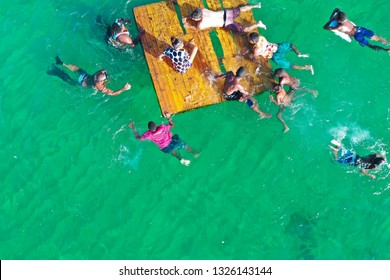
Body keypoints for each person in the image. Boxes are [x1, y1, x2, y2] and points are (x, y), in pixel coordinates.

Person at [129, 113, 199, 166]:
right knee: (183, 145)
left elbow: (139, 138)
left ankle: (180, 158)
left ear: (149, 129)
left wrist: (133, 128)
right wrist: (168, 117)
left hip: (164, 147)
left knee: (172, 151)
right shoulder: (162, 127)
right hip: (171, 141)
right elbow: (172, 125)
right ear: (156, 125)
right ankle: (195, 153)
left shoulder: (148, 134)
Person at [51, 56, 131, 96]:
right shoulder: (99, 86)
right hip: (82, 83)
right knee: (71, 82)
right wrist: (124, 88)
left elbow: (103, 71)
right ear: (102, 81)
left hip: (84, 76)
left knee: (76, 69)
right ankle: (56, 72)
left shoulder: (97, 74)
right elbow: (112, 93)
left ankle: (62, 63)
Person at [323, 8, 390, 52]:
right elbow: (338, 9)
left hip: (357, 36)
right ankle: (388, 43)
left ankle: (385, 49)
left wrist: (332, 20)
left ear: (339, 20)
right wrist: (338, 15)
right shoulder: (346, 18)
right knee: (377, 38)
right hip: (360, 29)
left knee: (370, 45)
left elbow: (326, 27)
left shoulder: (340, 26)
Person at [246, 32, 314, 74]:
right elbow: (292, 45)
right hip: (278, 47)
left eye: (249, 39)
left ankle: (306, 67)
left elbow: (254, 59)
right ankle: (299, 54)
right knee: (291, 46)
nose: (248, 39)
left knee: (290, 66)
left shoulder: (256, 49)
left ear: (253, 42)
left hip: (275, 56)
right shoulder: (261, 37)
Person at [182, 3, 266, 33]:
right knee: (240, 9)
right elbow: (195, 14)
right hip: (226, 13)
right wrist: (187, 17)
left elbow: (196, 28)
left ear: (198, 19)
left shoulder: (201, 24)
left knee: (244, 30)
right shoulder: (202, 10)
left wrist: (188, 26)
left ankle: (258, 24)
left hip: (227, 23)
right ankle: (256, 5)